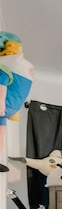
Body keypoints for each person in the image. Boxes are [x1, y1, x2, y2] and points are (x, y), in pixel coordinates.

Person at [0, 31, 34, 172]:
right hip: (5, 109)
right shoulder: (6, 70)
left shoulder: (6, 69)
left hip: (4, 109)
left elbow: (4, 86)